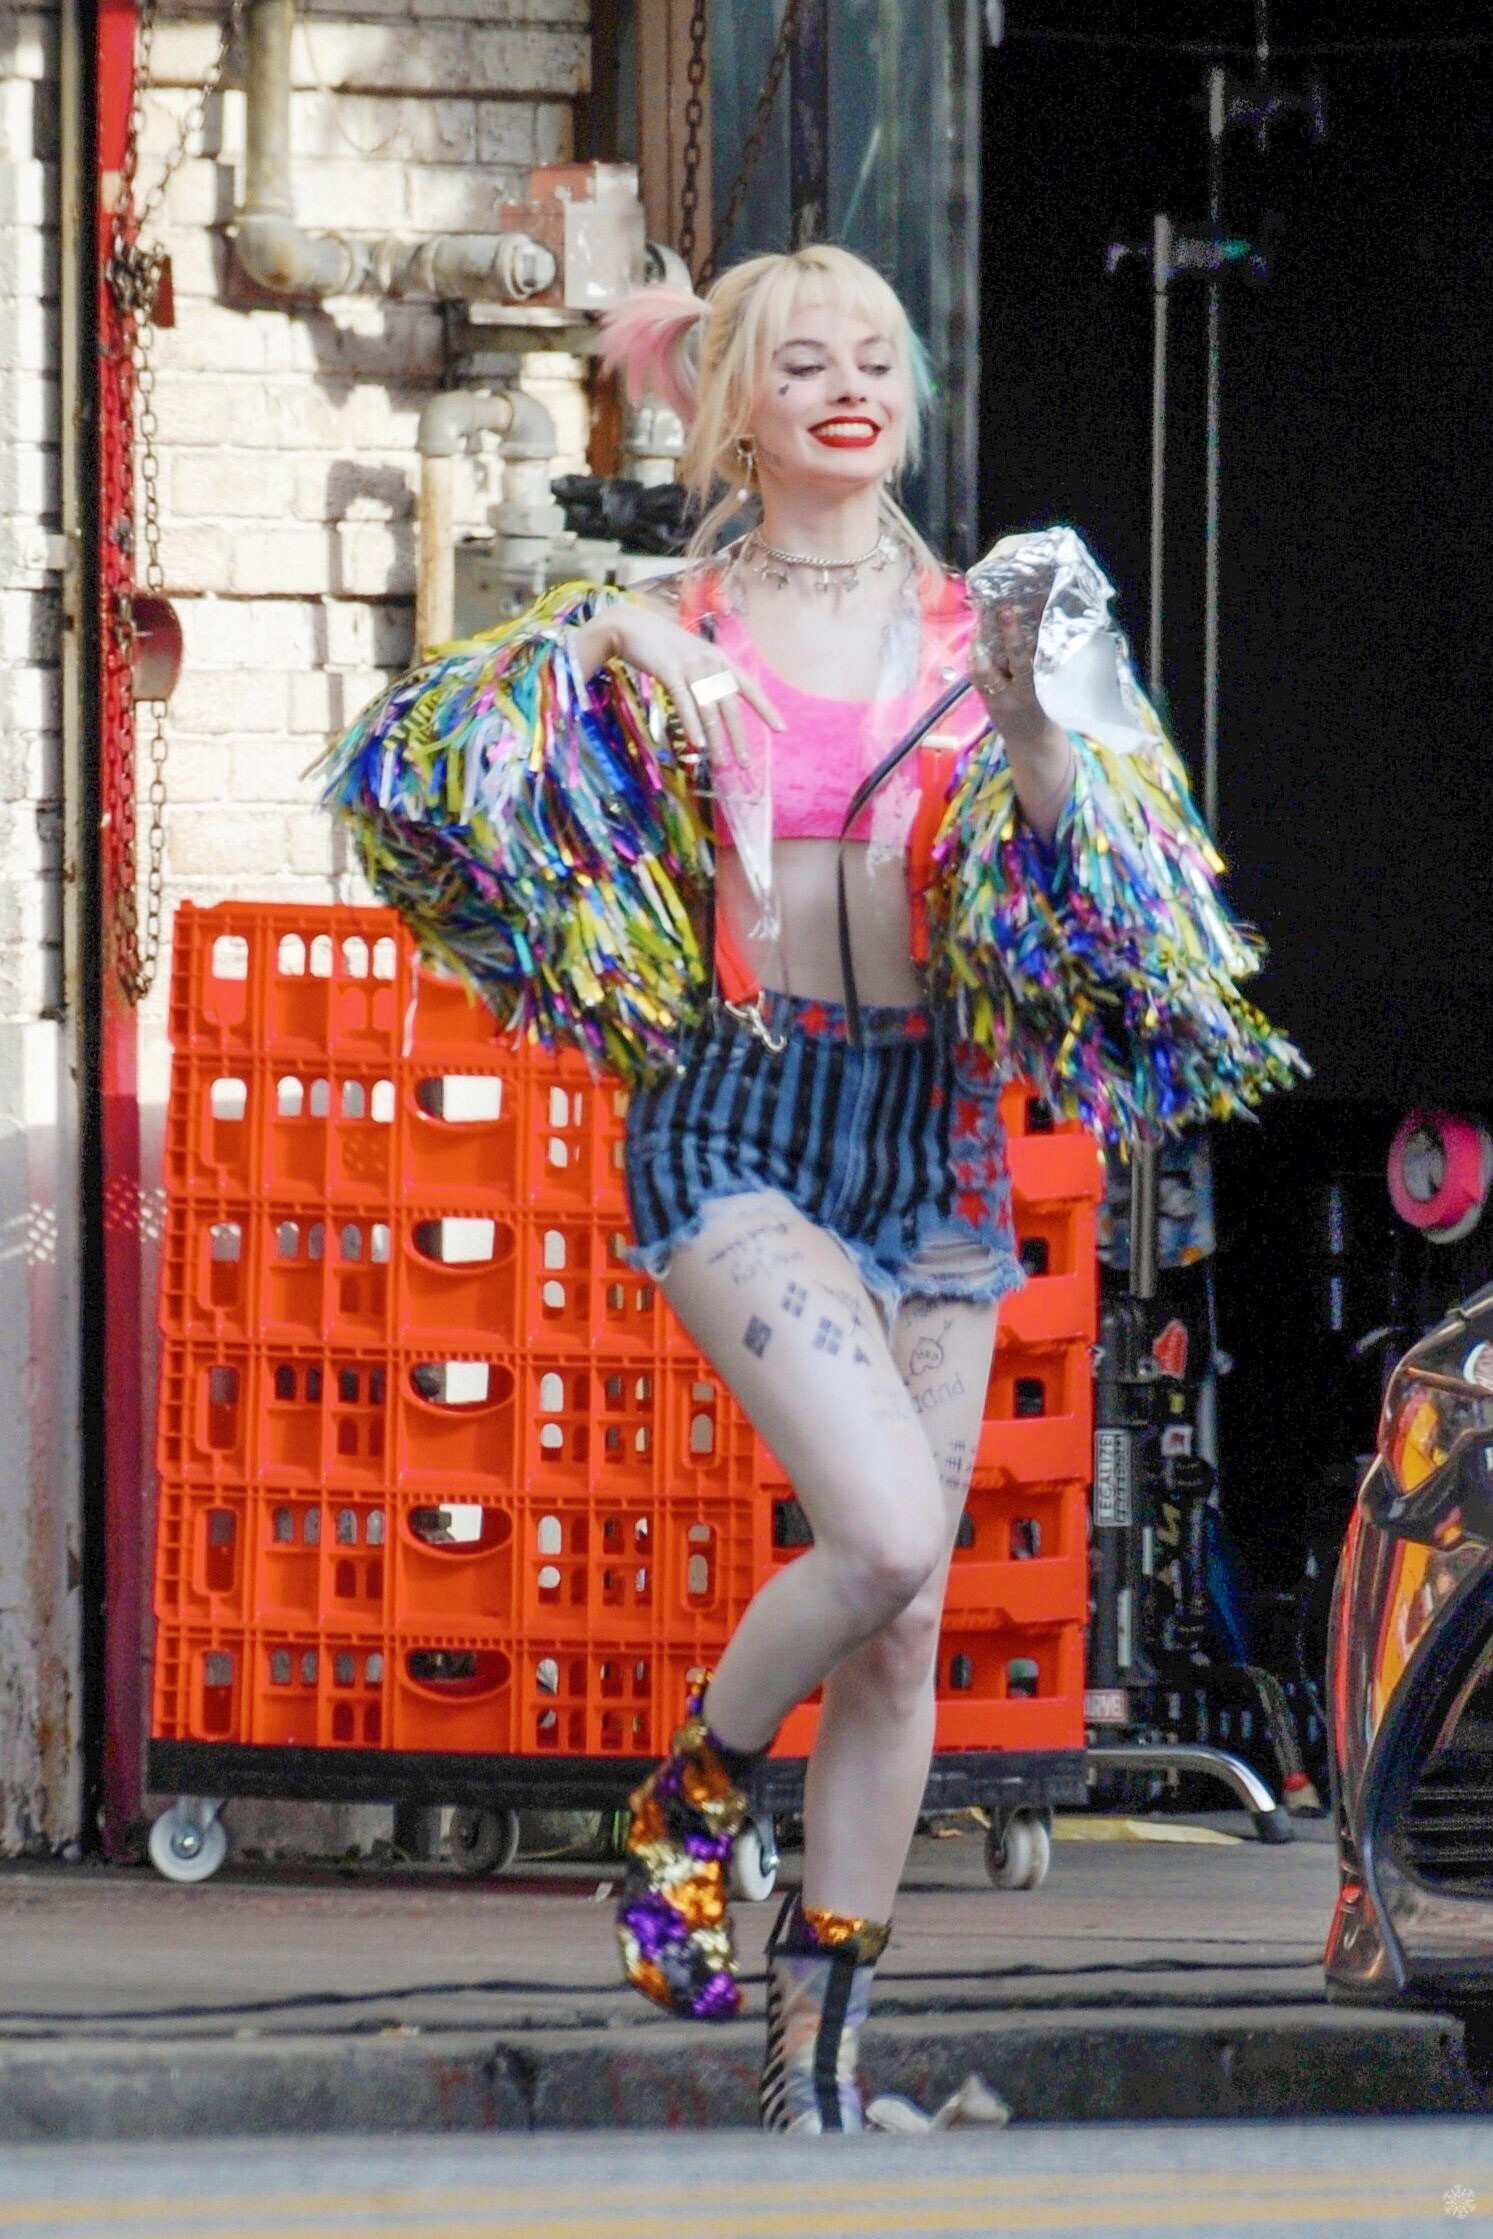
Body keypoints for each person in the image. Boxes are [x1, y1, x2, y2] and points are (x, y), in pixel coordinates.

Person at [319, 243, 1301, 2135]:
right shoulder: (673, 612)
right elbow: (418, 771)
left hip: (931, 1136)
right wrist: (614, 637)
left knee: (904, 1625)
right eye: (802, 364)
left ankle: (816, 2069)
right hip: (738, 1117)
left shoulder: (981, 618)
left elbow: (1121, 886)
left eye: (875, 359)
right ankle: (690, 1799)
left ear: (906, 401)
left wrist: (1029, 722)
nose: (848, 387)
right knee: (886, 1540)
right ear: (734, 410)